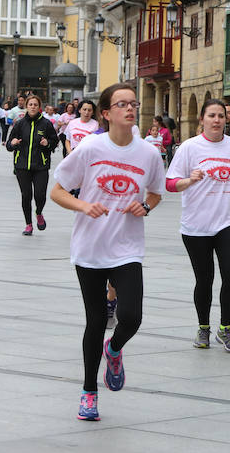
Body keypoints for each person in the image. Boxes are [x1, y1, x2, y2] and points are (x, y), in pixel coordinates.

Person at [50, 84, 164, 422]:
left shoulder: (149, 154)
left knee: (131, 316)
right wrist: (84, 205)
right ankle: (88, 392)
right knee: (97, 319)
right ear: (106, 112)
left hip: (128, 246)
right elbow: (56, 191)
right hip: (90, 247)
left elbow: (156, 193)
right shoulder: (90, 148)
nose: (129, 109)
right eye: (121, 104)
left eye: (133, 103)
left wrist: (145, 205)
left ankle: (114, 350)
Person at [166, 98, 230, 352]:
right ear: (202, 120)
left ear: (226, 119)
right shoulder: (189, 148)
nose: (216, 120)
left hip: (228, 220)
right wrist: (189, 180)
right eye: (211, 115)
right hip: (196, 224)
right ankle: (203, 327)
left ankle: (225, 329)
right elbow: (170, 183)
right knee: (204, 279)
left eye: (221, 116)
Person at [5, 95, 59, 235]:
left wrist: (48, 144)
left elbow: (54, 142)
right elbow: (9, 144)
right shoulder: (20, 124)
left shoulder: (46, 124)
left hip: (40, 166)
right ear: (27, 106)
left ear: (39, 107)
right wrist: (13, 143)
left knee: (40, 195)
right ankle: (28, 224)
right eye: (30, 104)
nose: (33, 107)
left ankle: (39, 212)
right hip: (22, 166)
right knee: (26, 195)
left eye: (35, 104)